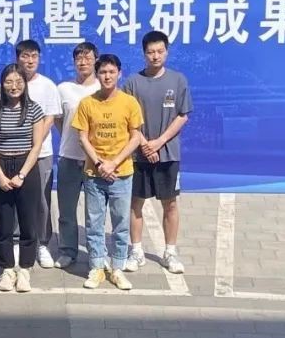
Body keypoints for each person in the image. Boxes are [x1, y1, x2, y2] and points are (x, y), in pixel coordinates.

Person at [72, 54, 144, 291]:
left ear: (119, 74)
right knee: (94, 222)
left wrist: (113, 163)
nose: (107, 76)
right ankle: (96, 267)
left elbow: (135, 137)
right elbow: (83, 137)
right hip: (94, 174)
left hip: (122, 173)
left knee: (121, 222)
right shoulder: (87, 103)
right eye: (103, 72)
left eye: (112, 72)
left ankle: (118, 268)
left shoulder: (129, 103)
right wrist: (99, 163)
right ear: (97, 74)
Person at [124, 31, 194, 275]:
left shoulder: (178, 80)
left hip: (168, 154)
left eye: (160, 51)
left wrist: (159, 142)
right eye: (150, 52)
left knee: (170, 204)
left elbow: (182, 116)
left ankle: (170, 252)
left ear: (167, 52)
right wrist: (145, 145)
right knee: (135, 203)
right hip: (138, 155)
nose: (155, 56)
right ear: (144, 54)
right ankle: (136, 251)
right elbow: (128, 120)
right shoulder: (133, 82)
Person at [0, 40, 60, 269]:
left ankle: (42, 243)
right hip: (10, 155)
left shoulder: (48, 85)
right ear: (17, 58)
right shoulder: (4, 86)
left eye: (34, 56)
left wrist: (34, 140)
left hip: (41, 153)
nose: (30, 61)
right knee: (12, 200)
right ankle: (15, 241)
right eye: (25, 56)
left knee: (40, 201)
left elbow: (50, 118)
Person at [0, 64, 44, 293]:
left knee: (29, 222)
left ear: (25, 84)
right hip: (1, 165)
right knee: (4, 223)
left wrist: (21, 175)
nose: (14, 86)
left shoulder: (34, 109)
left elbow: (36, 145)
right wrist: (0, 175)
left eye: (18, 81)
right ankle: (7, 269)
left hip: (26, 167)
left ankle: (25, 269)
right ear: (2, 84)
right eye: (9, 82)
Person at [54, 42, 99, 269]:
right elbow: (58, 119)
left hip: (96, 160)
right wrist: (68, 136)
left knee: (95, 212)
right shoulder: (64, 88)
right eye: (79, 59)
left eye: (87, 58)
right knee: (66, 210)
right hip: (68, 157)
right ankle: (67, 251)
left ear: (95, 60)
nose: (83, 62)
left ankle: (95, 253)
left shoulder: (102, 87)